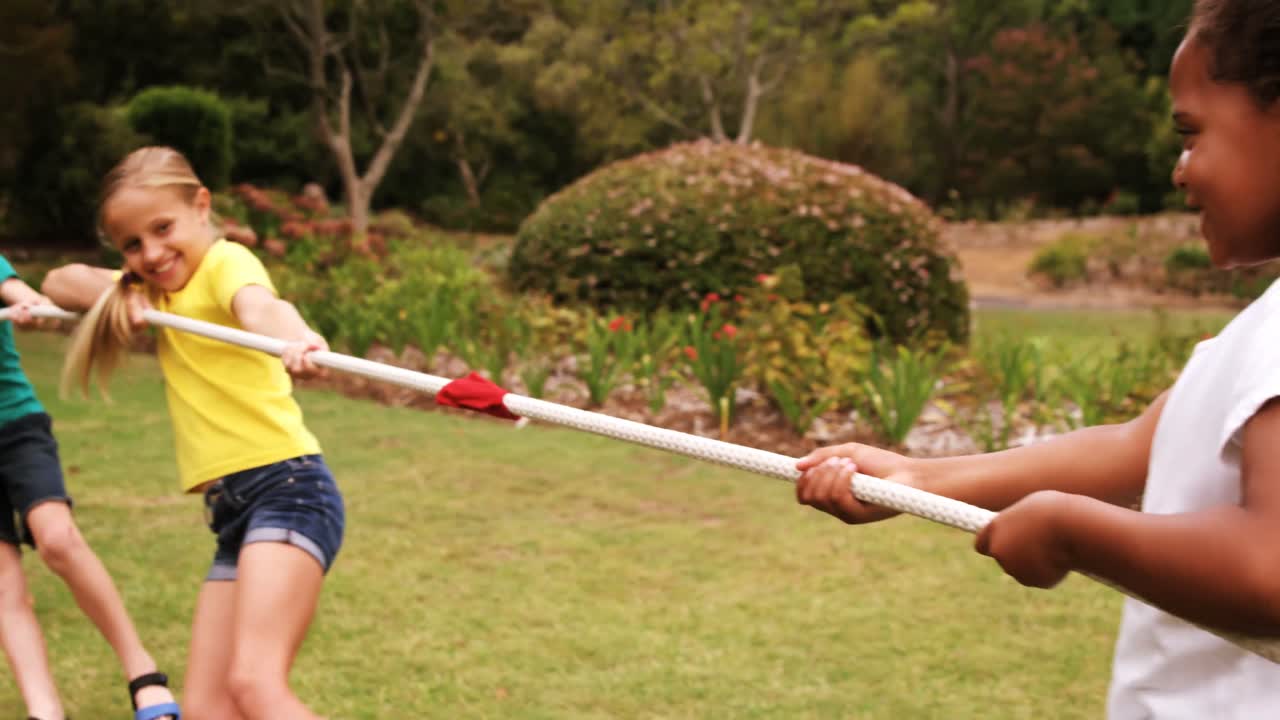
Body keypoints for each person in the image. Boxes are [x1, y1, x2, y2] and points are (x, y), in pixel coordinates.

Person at [795, 2, 1280, 717]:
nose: (1179, 172)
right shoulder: (1258, 331)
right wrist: (917, 477)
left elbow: (1271, 567)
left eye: (1191, 134)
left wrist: (1073, 531)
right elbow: (1137, 447)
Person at [41, 146, 344, 720]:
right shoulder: (156, 289)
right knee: (207, 708)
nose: (152, 253)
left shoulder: (224, 263)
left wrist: (296, 337)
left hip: (288, 490)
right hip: (233, 511)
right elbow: (59, 280)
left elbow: (261, 308)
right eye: (132, 244)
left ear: (201, 206)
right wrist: (121, 291)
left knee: (255, 684)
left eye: (163, 229)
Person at [0, 258, 180, 720]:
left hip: (15, 425)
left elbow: (19, 290)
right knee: (3, 585)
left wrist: (29, 305)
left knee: (57, 539)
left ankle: (143, 674)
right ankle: (45, 710)